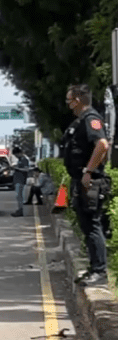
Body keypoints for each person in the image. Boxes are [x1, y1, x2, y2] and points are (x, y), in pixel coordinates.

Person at [61, 84, 111, 285]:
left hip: (90, 181)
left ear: (78, 100)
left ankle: (100, 271)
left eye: (69, 100)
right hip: (82, 181)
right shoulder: (82, 120)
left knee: (92, 226)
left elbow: (102, 144)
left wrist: (88, 171)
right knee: (87, 225)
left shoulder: (91, 119)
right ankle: (94, 268)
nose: (68, 104)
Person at [10, 147, 31, 216]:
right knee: (18, 196)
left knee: (19, 195)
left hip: (21, 180)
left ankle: (20, 210)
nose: (15, 156)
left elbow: (26, 169)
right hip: (17, 180)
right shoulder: (19, 160)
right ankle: (19, 209)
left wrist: (17, 168)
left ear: (19, 153)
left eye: (16, 155)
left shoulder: (24, 160)